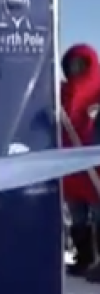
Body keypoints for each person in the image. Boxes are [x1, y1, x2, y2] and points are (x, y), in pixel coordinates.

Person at [58, 44, 100, 279]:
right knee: (78, 218)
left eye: (79, 65)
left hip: (95, 170)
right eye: (70, 65)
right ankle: (84, 259)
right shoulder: (61, 95)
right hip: (72, 171)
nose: (74, 70)